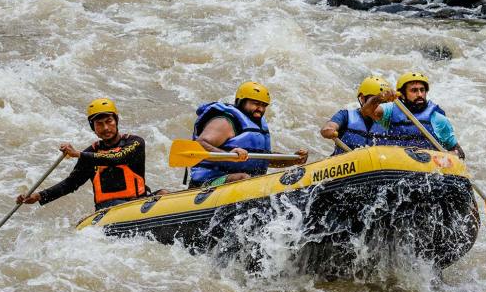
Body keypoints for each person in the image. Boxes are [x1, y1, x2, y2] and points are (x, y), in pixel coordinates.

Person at [16, 98, 165, 211]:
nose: (106, 128)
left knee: (164, 193)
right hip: (109, 210)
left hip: (138, 204)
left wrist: (78, 154)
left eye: (109, 121)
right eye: (99, 124)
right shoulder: (90, 153)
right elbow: (70, 184)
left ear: (116, 121)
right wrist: (38, 196)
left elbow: (116, 157)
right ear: (93, 127)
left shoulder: (135, 142)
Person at [189, 81, 308, 188]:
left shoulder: (256, 125)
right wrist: (227, 155)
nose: (260, 109)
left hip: (246, 184)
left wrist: (294, 160)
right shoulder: (225, 122)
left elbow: (263, 159)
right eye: (255, 104)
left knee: (253, 180)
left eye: (263, 106)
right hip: (207, 183)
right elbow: (199, 145)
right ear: (241, 102)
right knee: (243, 178)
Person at [361, 72, 465, 159]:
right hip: (396, 167)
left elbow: (459, 152)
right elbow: (366, 111)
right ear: (402, 94)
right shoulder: (391, 110)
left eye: (422, 90)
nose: (420, 94)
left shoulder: (438, 119)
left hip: (427, 170)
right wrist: (380, 98)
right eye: (414, 90)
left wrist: (450, 156)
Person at [320, 76, 392, 154]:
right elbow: (330, 126)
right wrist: (328, 129)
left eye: (384, 102)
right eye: (374, 100)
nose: (379, 105)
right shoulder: (345, 116)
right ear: (362, 98)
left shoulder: (390, 121)